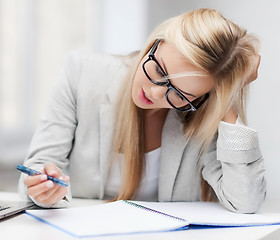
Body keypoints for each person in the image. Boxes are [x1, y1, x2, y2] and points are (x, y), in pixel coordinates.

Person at [18, 8, 265, 213]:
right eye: (159, 71)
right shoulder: (82, 74)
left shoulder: (201, 110)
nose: (156, 94)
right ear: (156, 43)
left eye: (179, 94)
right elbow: (37, 168)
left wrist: (226, 96)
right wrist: (45, 190)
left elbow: (245, 202)